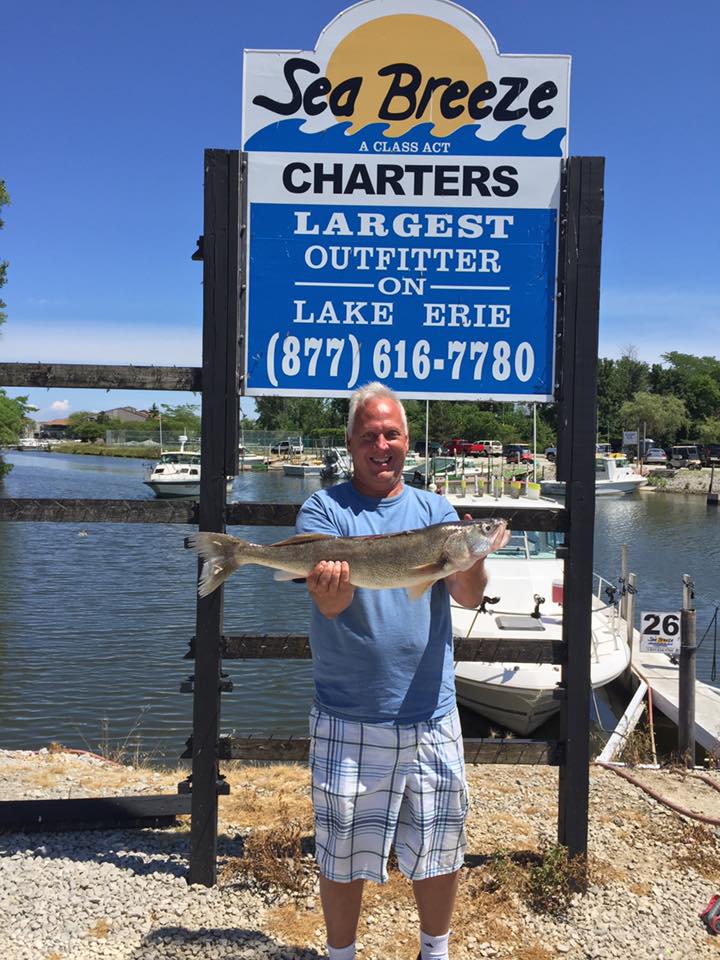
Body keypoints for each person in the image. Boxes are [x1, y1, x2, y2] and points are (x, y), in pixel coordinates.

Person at [296, 382, 508, 960]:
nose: (381, 444)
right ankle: (341, 953)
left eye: (390, 434)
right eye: (369, 435)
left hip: (429, 710)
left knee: (440, 841)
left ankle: (434, 950)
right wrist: (328, 590)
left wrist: (474, 552)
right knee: (341, 847)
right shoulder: (324, 510)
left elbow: (466, 596)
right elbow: (332, 607)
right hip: (348, 710)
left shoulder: (437, 513)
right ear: (351, 443)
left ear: (407, 441)